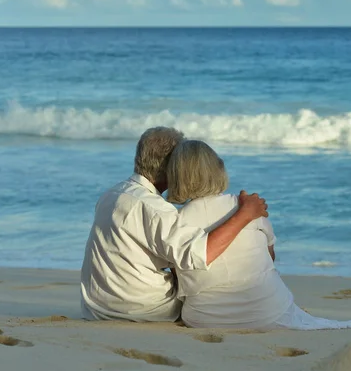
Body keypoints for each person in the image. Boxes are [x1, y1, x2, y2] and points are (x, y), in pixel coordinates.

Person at [80, 127, 268, 322]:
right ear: (172, 166)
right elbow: (200, 254)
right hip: (142, 309)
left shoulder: (112, 194)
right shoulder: (155, 208)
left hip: (96, 307)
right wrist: (244, 214)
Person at [167, 140, 351, 330]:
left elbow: (179, 273)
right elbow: (270, 257)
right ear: (219, 169)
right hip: (268, 313)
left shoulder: (176, 221)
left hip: (204, 318)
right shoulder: (248, 206)